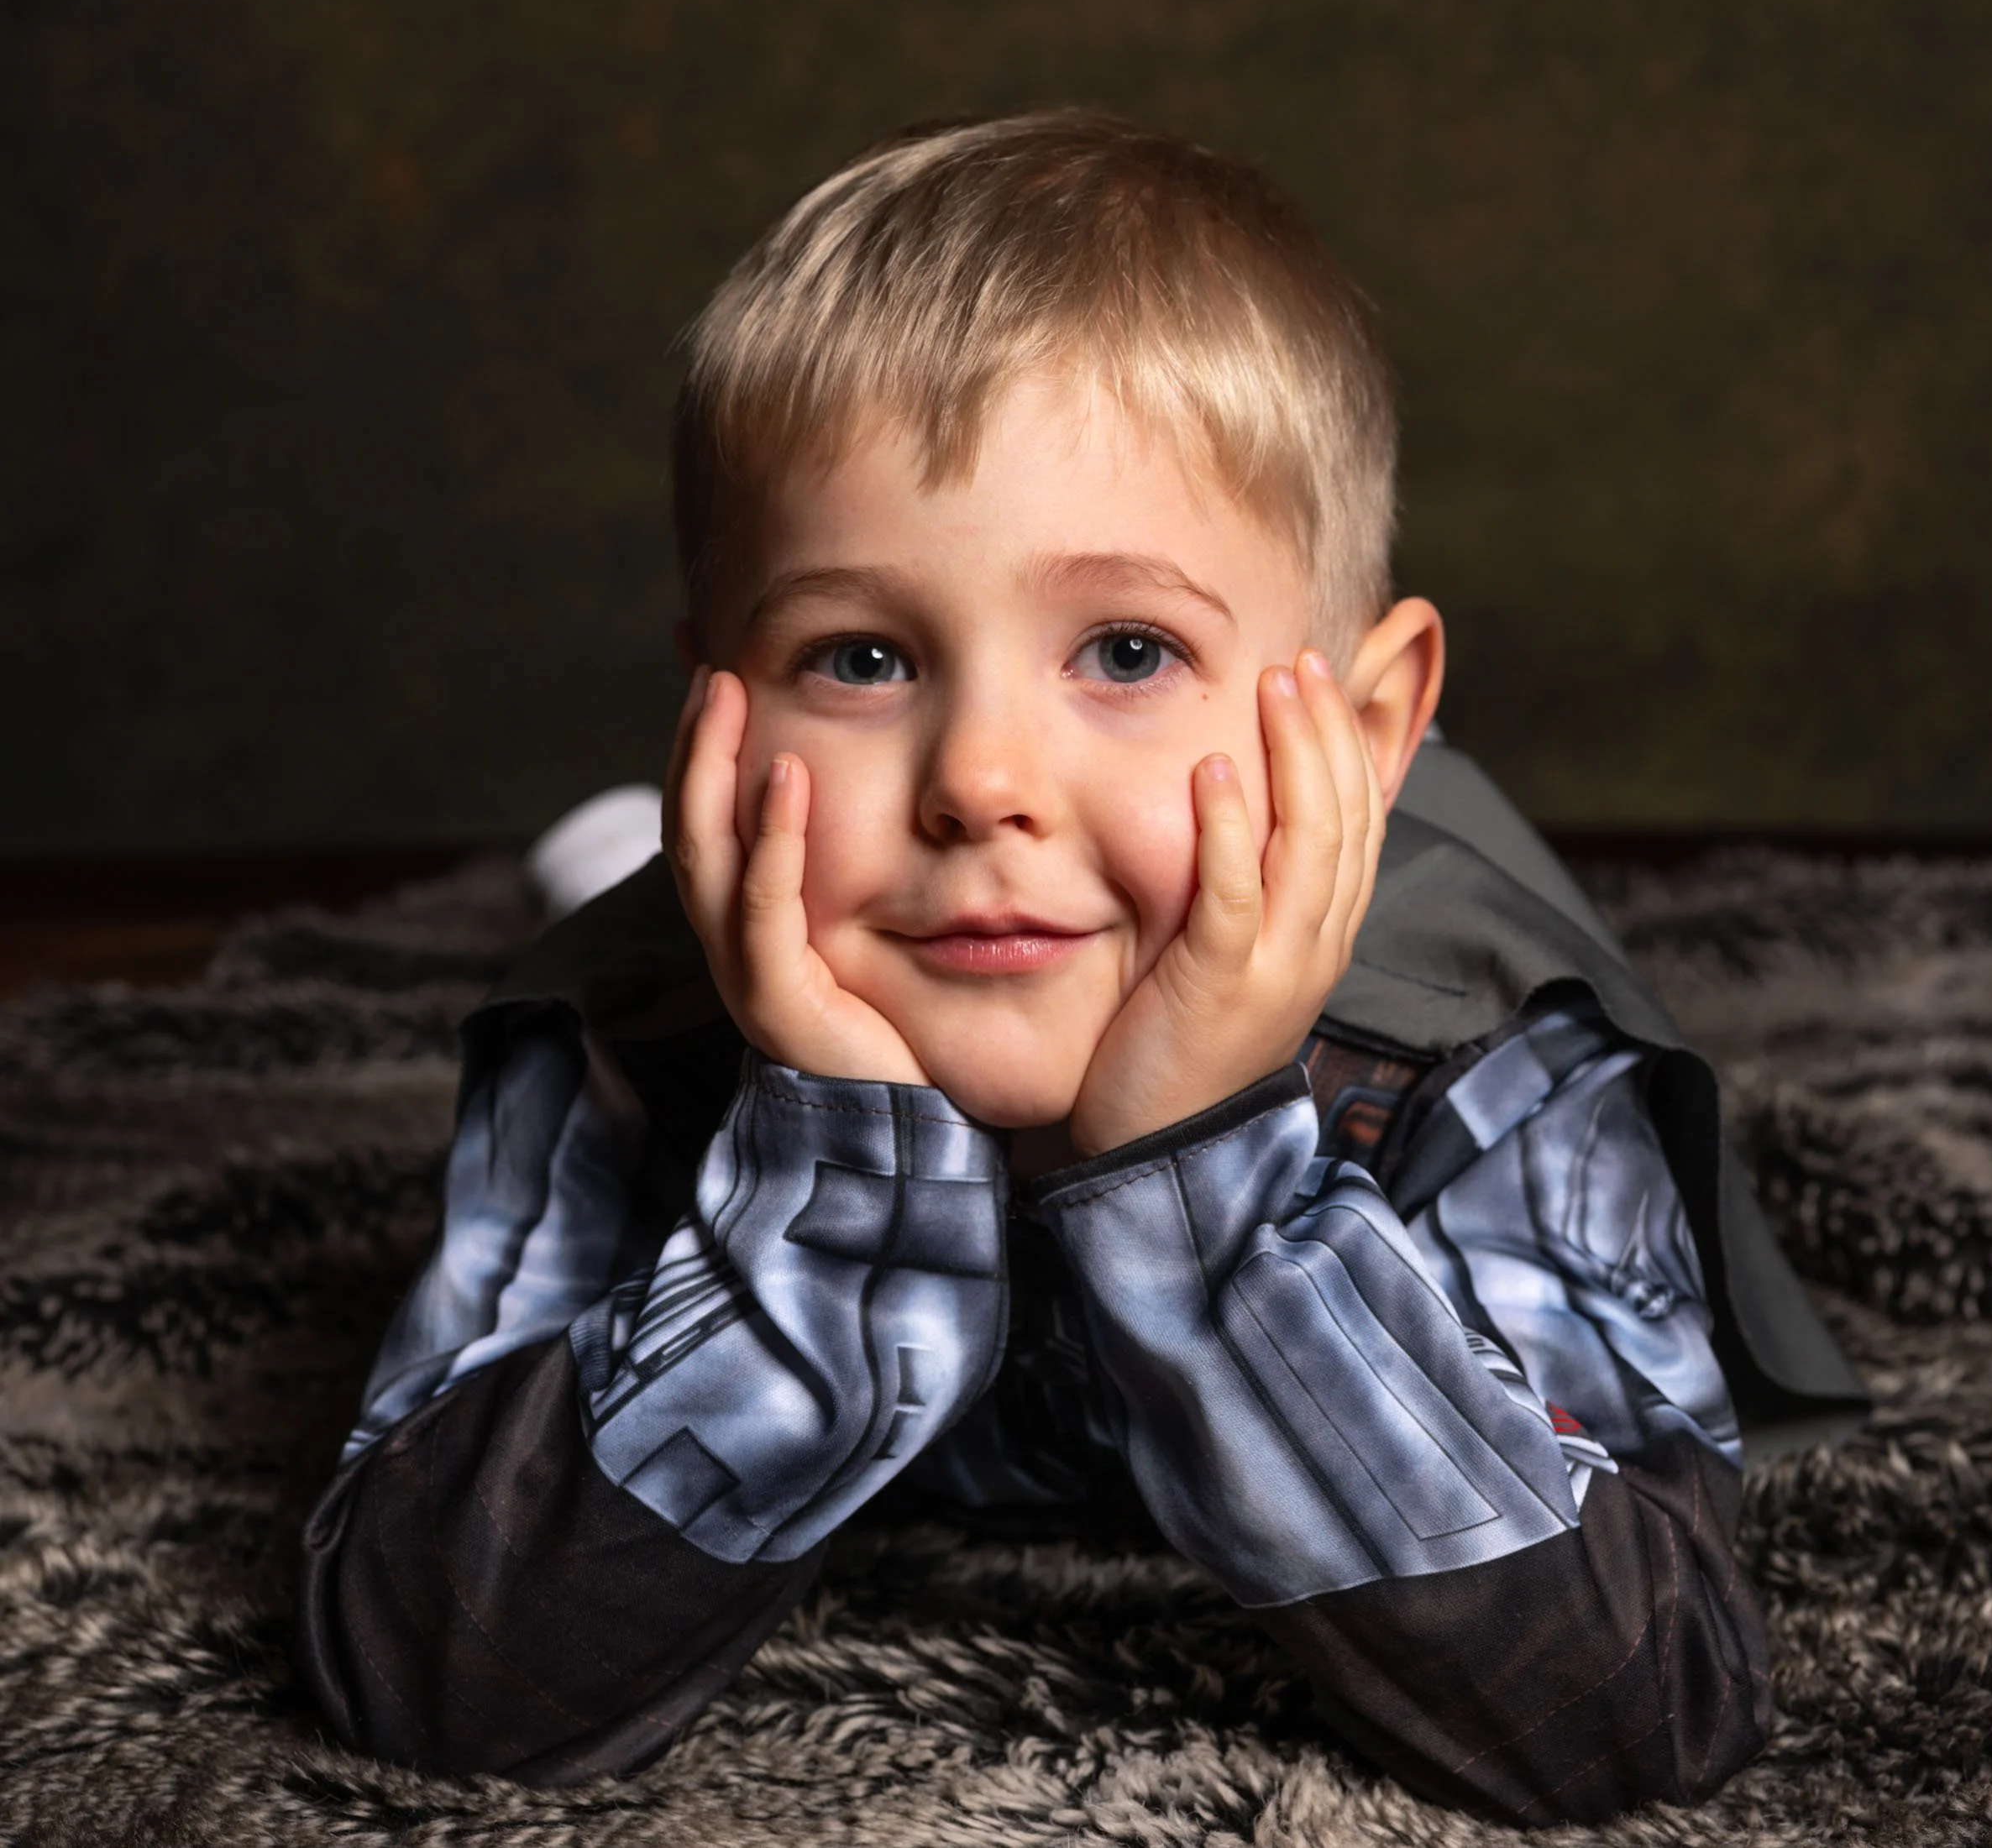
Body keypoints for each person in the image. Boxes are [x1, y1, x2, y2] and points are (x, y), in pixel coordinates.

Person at [296, 113, 1864, 1824]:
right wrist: (832, 1178)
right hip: (799, 928)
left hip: (1361, 918)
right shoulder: (616, 1046)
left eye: (1126, 650)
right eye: (863, 654)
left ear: (1361, 723)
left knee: (1438, 899)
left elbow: (1634, 1705)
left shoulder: (1480, 1071)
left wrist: (1202, 1179)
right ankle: (620, 837)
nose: (979, 777)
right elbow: (431, 1669)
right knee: (653, 908)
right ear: (716, 717)